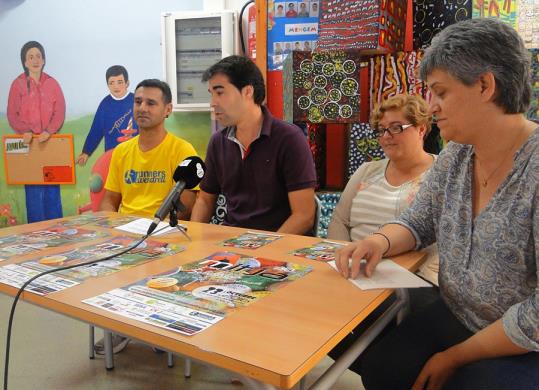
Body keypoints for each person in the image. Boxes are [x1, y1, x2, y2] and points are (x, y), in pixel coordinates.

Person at [335, 18, 539, 389]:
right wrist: (379, 241)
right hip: (456, 313)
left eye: (440, 93)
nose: (432, 107)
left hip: (522, 341)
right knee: (382, 367)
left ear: (484, 85)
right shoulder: (456, 156)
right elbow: (418, 220)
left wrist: (456, 356)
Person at [97, 79, 198, 354]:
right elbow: (109, 199)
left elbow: (187, 205)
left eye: (151, 103)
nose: (142, 108)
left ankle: (161, 327)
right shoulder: (121, 152)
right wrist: (111, 227)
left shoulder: (182, 150)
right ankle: (118, 327)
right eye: (138, 101)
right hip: (125, 234)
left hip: (164, 236)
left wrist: (157, 232)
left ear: (168, 110)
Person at [191, 55, 317, 235]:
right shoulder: (218, 142)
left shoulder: (289, 139)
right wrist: (194, 239)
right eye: (211, 94)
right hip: (232, 243)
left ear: (248, 91)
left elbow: (303, 216)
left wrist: (265, 249)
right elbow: (204, 200)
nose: (213, 103)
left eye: (220, 93)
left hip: (280, 244)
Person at [328, 94, 438, 285]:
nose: (386, 137)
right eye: (381, 130)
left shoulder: (442, 174)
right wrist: (344, 259)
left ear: (421, 129)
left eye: (396, 128)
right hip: (355, 272)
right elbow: (340, 220)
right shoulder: (366, 171)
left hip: (415, 276)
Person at [7, 40, 66, 223]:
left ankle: (57, 231)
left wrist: (49, 131)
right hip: (28, 145)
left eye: (38, 56)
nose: (35, 60)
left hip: (49, 144)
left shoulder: (52, 84)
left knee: (52, 190)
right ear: (25, 62)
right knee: (32, 192)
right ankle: (35, 233)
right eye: (30, 57)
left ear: (44, 60)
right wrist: (24, 131)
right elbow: (12, 113)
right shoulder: (17, 85)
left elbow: (60, 111)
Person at [76, 65, 138, 166]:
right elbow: (96, 130)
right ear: (107, 85)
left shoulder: (137, 101)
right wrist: (86, 152)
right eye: (111, 83)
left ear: (127, 83)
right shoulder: (105, 104)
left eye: (120, 82)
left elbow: (148, 129)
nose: (116, 86)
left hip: (135, 156)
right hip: (111, 157)